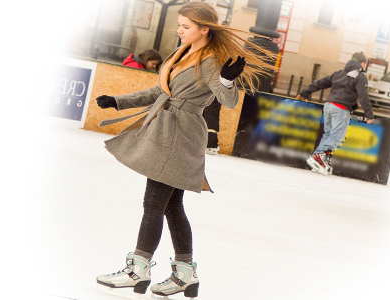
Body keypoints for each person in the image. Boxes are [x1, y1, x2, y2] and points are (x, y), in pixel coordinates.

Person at [94, 2, 277, 298]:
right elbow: (161, 92)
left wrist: (227, 80)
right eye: (179, 25)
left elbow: (228, 102)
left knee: (154, 202)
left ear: (204, 29)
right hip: (164, 129)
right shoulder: (181, 52)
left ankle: (138, 270)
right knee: (170, 205)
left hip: (181, 134)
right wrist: (119, 101)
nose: (180, 31)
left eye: (186, 27)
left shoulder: (215, 60)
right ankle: (185, 275)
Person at [296, 52, 374, 176]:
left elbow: (320, 83)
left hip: (328, 105)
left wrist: (305, 92)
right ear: (362, 63)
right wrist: (369, 114)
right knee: (337, 136)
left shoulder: (339, 73)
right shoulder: (360, 76)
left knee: (329, 134)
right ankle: (318, 156)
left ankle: (320, 160)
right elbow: (363, 96)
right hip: (341, 108)